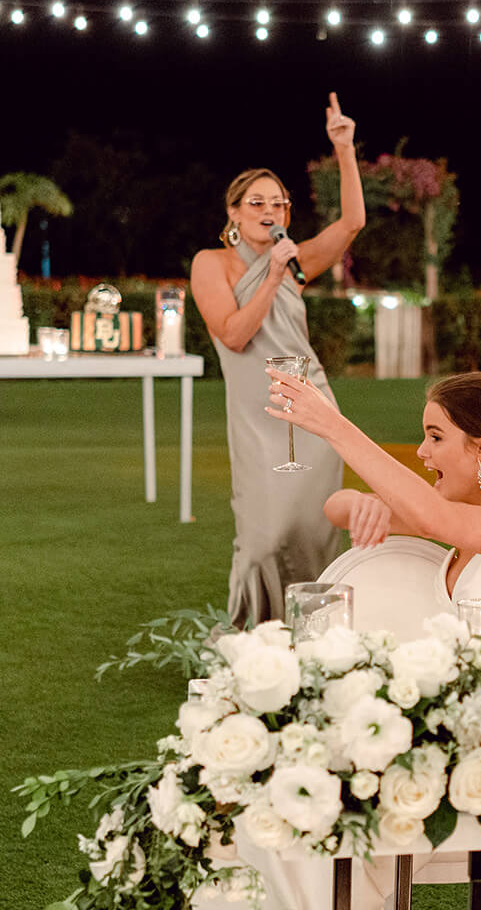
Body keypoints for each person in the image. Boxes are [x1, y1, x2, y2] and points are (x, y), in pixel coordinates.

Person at [191, 93, 366, 627]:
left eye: (279, 203)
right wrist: (270, 274)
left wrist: (344, 149)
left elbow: (352, 222)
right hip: (257, 414)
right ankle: (253, 632)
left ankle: (313, 634)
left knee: (311, 529)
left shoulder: (296, 260)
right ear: (233, 213)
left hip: (310, 410)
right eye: (257, 203)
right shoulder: (211, 264)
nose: (270, 212)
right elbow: (233, 335)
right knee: (264, 535)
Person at [264, 369, 481, 629]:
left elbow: (433, 519)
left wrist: (333, 425)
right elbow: (335, 509)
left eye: (436, 437)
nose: (421, 451)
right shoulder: (462, 511)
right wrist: (360, 503)